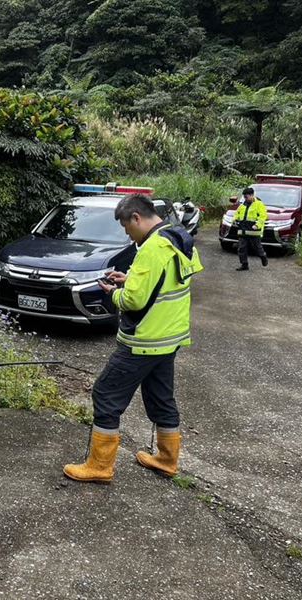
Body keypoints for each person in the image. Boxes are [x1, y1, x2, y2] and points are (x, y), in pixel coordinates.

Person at [63, 194, 203, 484]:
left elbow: (133, 301)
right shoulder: (179, 238)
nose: (128, 235)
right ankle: (167, 459)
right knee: (160, 397)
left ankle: (100, 466)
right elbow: (167, 281)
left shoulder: (151, 248)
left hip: (143, 341)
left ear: (136, 218)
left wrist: (114, 292)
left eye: (127, 228)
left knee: (105, 393)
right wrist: (131, 279)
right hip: (169, 338)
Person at [234, 186, 268, 271]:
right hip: (243, 230)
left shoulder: (259, 204)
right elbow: (237, 214)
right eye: (244, 197)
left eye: (246, 197)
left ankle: (263, 256)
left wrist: (257, 225)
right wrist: (235, 220)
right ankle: (244, 264)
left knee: (257, 248)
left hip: (254, 230)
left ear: (252, 195)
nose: (245, 198)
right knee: (241, 248)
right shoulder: (242, 205)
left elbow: (263, 216)